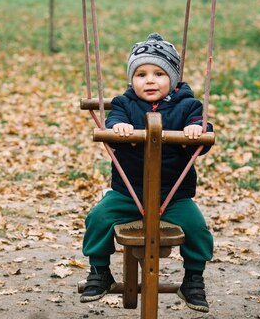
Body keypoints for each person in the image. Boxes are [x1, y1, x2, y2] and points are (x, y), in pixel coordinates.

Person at [80, 33, 213, 313]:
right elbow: (113, 120)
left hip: (173, 196)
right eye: (141, 74)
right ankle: (99, 271)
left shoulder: (188, 106)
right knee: (98, 217)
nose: (149, 80)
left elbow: (203, 131)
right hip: (128, 193)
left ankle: (193, 279)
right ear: (132, 80)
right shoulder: (124, 105)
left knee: (198, 229)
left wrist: (197, 130)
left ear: (173, 79)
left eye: (159, 73)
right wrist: (119, 129)